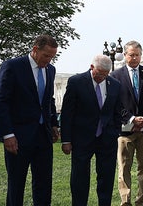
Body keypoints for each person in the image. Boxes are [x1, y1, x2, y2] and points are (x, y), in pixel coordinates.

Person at [0, 35, 60, 206]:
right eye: (46, 55)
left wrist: (53, 124)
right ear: (35, 49)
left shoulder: (50, 70)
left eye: (52, 56)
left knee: (44, 184)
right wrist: (7, 134)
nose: (48, 60)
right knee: (16, 184)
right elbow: (0, 101)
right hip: (18, 137)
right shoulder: (13, 66)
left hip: (43, 137)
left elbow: (48, 99)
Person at [60, 54, 123, 206]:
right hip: (82, 138)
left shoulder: (115, 84)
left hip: (107, 139)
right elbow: (67, 112)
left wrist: (115, 131)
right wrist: (66, 140)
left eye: (105, 74)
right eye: (99, 73)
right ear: (91, 67)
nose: (102, 77)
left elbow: (117, 111)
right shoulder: (76, 82)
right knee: (80, 177)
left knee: (106, 177)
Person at [110, 40, 143, 206]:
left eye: (137, 55)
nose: (135, 58)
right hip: (125, 130)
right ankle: (125, 201)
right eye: (131, 55)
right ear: (124, 55)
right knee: (124, 166)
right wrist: (131, 119)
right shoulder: (115, 76)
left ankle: (141, 200)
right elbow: (116, 103)